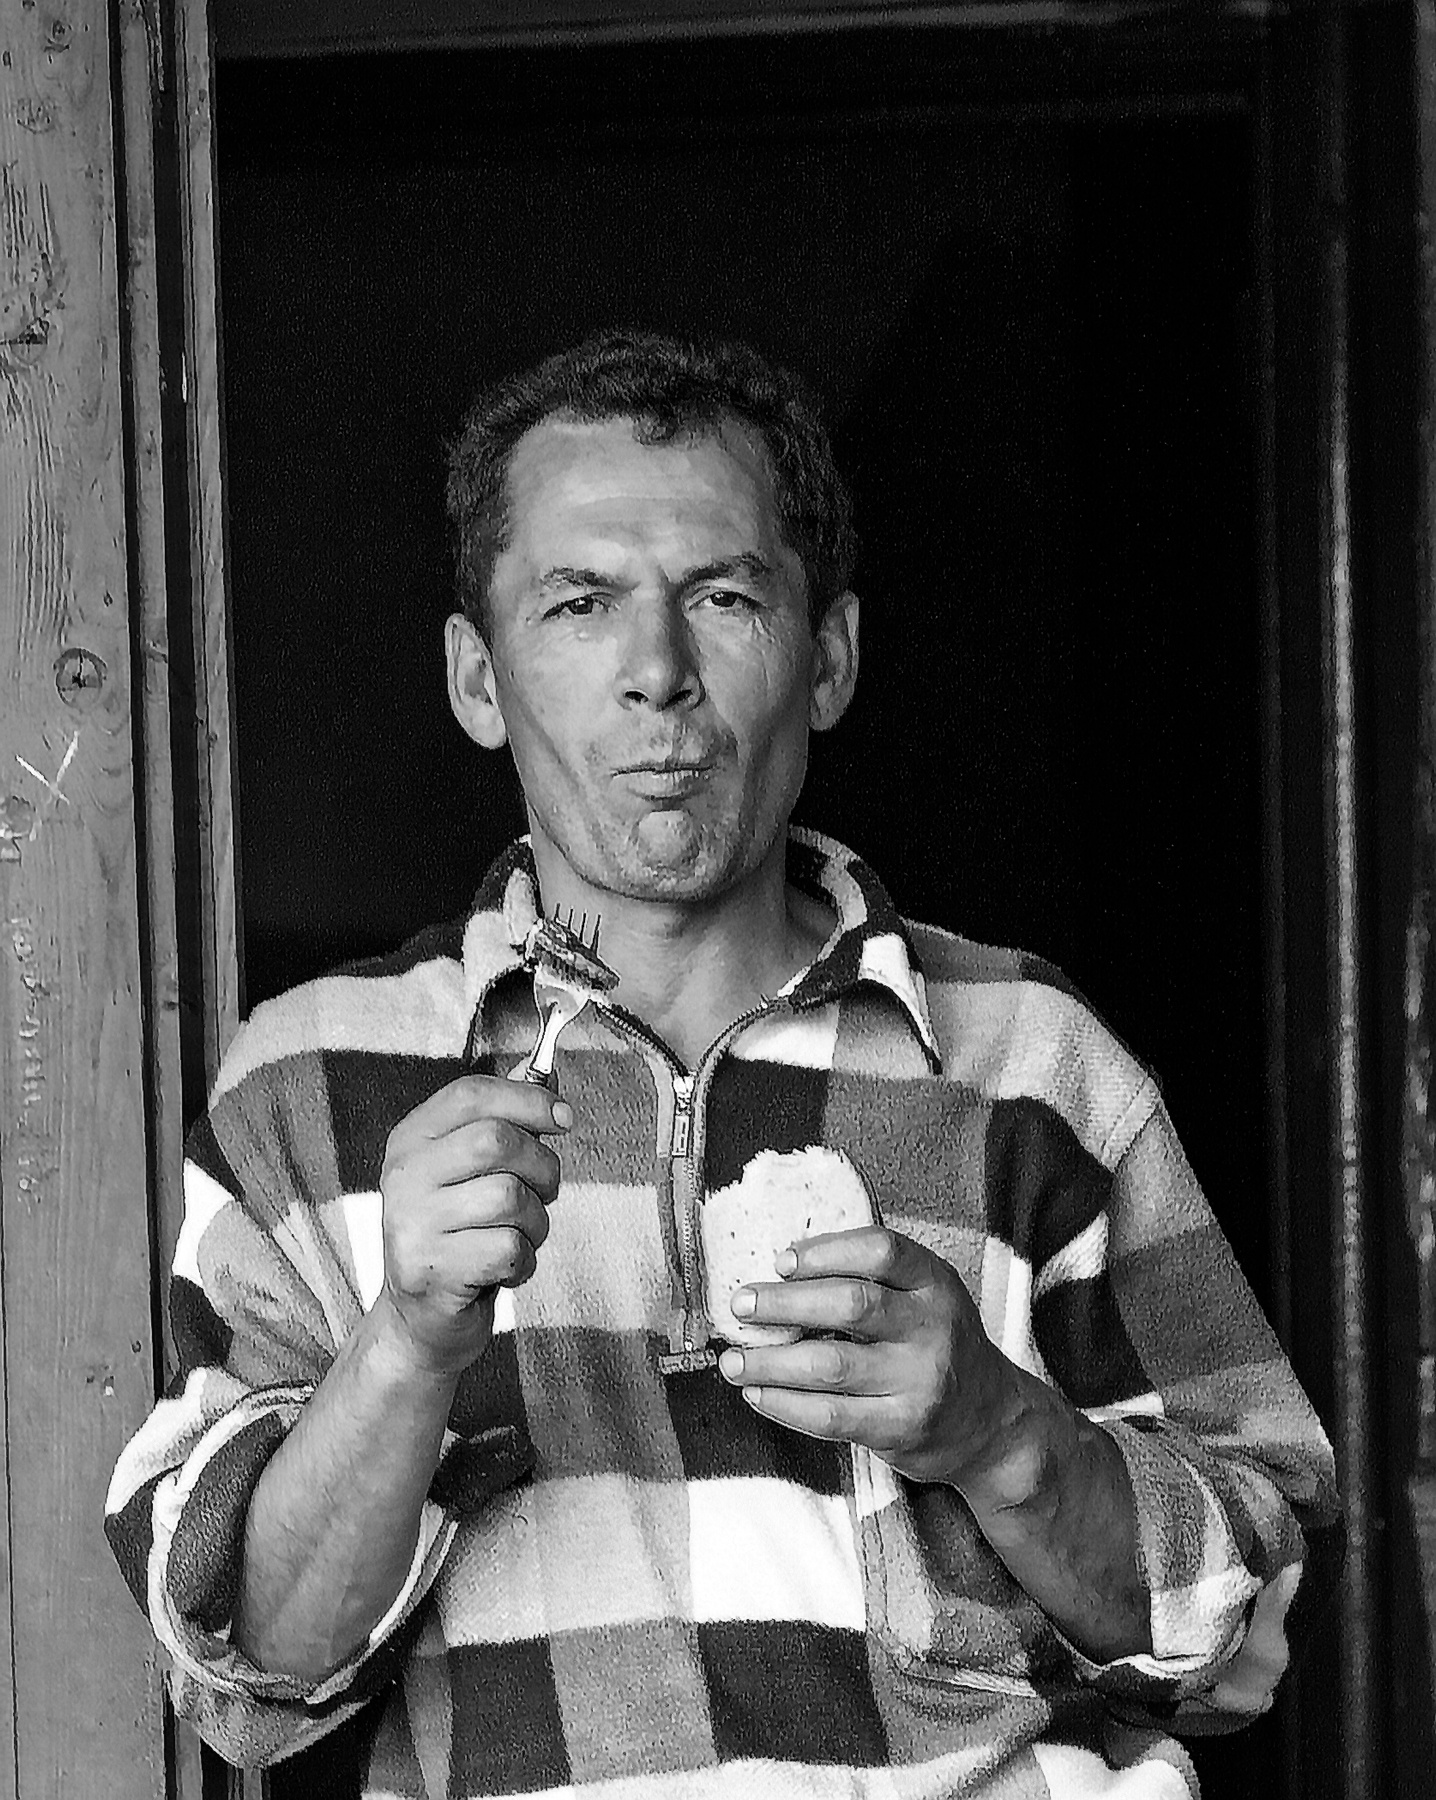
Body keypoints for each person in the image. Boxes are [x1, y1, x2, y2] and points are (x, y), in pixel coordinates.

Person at [106, 329, 1341, 1798]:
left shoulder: (1031, 1065)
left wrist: (996, 1428)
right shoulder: (312, 1087)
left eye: (725, 597)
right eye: (581, 603)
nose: (659, 674)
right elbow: (243, 1672)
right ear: (477, 679)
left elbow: (1249, 1626)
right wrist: (410, 1343)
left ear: (829, 657)